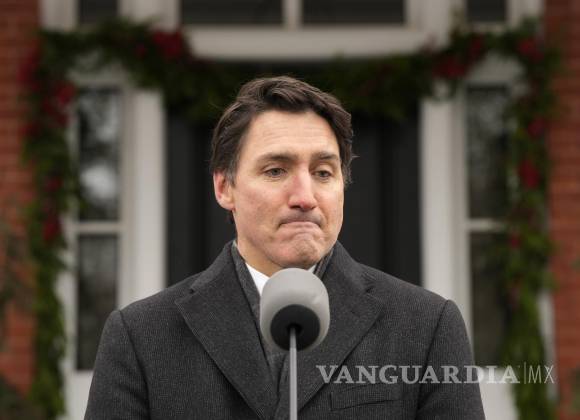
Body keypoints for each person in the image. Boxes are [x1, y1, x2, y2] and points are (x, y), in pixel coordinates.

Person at [85, 76, 485, 419]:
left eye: (323, 172)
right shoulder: (140, 337)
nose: (305, 197)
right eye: (276, 170)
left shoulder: (427, 327)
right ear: (224, 187)